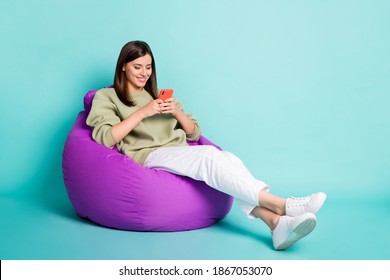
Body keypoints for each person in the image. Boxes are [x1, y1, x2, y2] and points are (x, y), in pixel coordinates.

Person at [86, 40, 327, 250]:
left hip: (179, 151)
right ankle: (283, 205)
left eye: (148, 67)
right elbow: (105, 138)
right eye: (137, 67)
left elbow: (194, 134)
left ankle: (276, 225)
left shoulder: (159, 95)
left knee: (229, 160)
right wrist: (143, 112)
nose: (144, 73)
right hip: (148, 156)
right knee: (210, 157)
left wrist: (177, 112)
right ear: (123, 66)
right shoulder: (106, 97)